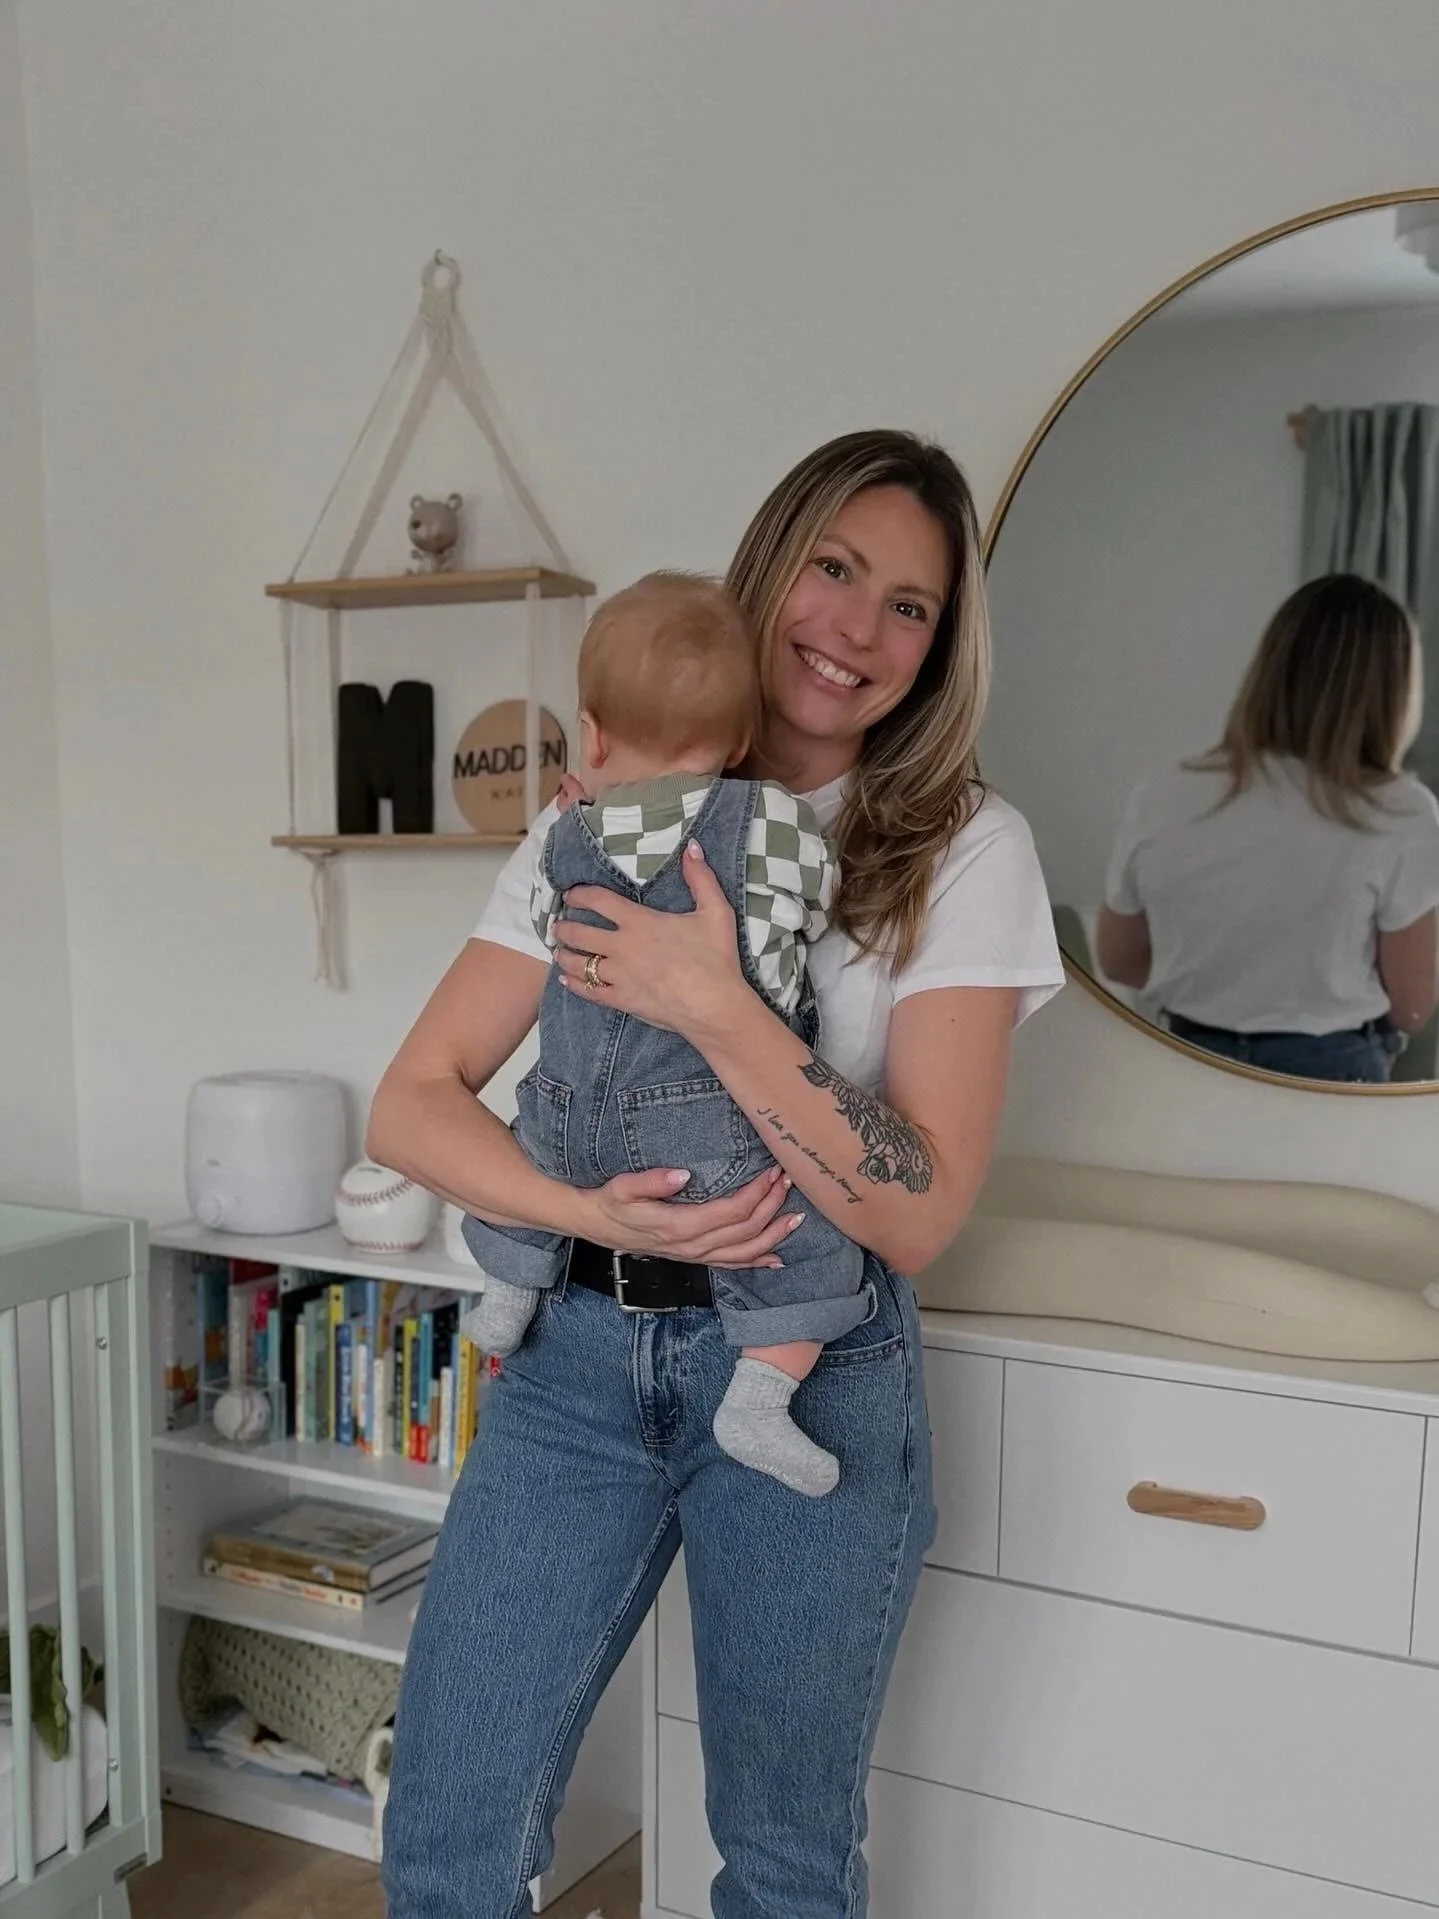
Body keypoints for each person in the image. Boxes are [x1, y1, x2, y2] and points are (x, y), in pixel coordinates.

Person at [369, 428, 1064, 1919]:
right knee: (447, 1823)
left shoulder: (966, 848)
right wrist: (571, 1212)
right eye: (832, 569)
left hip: (810, 1366)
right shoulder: (588, 820)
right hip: (573, 1358)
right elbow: (413, 1103)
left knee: (782, 1857)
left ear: (937, 650)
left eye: (907, 605)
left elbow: (921, 1205)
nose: (853, 628)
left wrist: (714, 1003)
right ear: (770, 567)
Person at [463, 569, 866, 1498]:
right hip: (699, 1123)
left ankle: (509, 1291)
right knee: (808, 1238)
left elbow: (542, 922)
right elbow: (814, 902)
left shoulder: (568, 828)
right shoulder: (764, 818)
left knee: (524, 1162)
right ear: (739, 739)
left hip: (566, 1116)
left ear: (592, 733)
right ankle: (760, 1399)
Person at [1097, 573, 1439, 1083]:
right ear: (1392, 691)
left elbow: (1118, 958)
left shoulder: (1165, 790)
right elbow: (1413, 1003)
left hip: (1184, 1059)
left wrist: (1225, 992)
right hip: (1334, 1070)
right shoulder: (1400, 810)